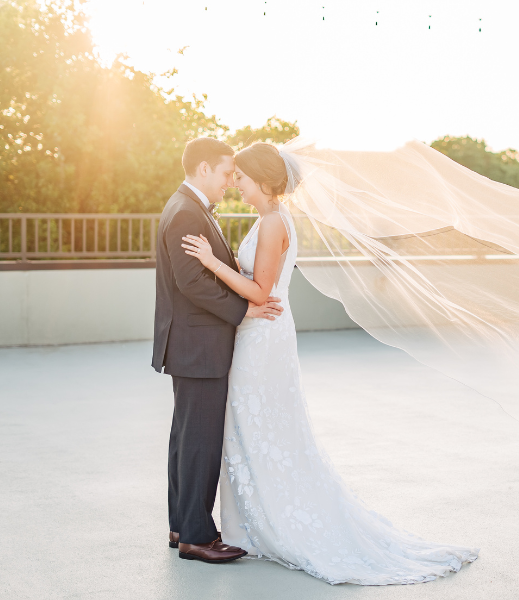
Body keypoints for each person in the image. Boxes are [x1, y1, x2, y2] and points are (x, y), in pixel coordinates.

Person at [182, 142, 478, 585]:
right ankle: (261, 521)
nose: (236, 184)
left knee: (259, 428)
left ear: (262, 180)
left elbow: (261, 292)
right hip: (263, 333)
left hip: (261, 337)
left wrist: (209, 262)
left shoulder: (271, 223)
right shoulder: (275, 219)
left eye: (241, 177)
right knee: (260, 428)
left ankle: (274, 522)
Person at [152, 137, 283, 563]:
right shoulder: (187, 211)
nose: (230, 181)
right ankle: (197, 536)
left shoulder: (186, 206)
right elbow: (192, 283)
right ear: (204, 168)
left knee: (187, 438)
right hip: (199, 345)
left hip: (193, 343)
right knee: (199, 442)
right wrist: (244, 311)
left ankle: (181, 526)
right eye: (227, 173)